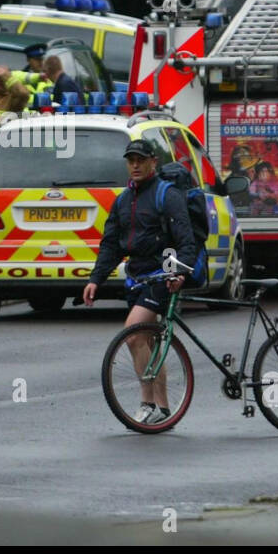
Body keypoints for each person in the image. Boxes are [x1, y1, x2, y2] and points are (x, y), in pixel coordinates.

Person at [83, 140, 199, 425]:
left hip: (162, 277)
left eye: (140, 160)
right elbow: (111, 244)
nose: (135, 165)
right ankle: (162, 408)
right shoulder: (123, 200)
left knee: (133, 333)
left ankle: (146, 402)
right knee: (146, 342)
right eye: (130, 160)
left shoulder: (167, 195)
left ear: (152, 162)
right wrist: (95, 279)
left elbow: (186, 241)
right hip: (135, 278)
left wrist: (180, 273)